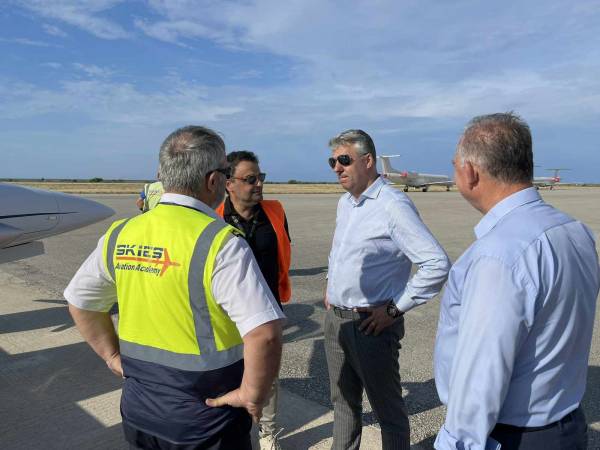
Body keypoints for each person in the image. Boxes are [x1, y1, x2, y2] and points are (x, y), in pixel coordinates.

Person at [65, 125, 285, 450]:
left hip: (140, 414)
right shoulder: (220, 242)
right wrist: (252, 394)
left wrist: (112, 356)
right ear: (214, 181)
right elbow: (264, 333)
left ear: (162, 175)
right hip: (205, 420)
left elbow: (81, 301)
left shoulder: (121, 233)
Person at [434, 113, 600, 450]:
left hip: (516, 436)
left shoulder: (499, 253)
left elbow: (482, 373)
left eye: (454, 165)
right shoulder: (575, 230)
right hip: (567, 426)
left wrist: (454, 443)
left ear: (471, 172)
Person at [325, 129, 451, 450]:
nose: (337, 168)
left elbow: (436, 263)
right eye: (333, 162)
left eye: (344, 160)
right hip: (336, 320)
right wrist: (331, 289)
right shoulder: (345, 203)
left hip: (371, 324)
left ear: (367, 161)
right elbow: (340, 253)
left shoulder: (392, 205)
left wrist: (394, 309)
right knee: (343, 404)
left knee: (388, 412)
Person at [214, 151, 291, 450]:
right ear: (229, 183)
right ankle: (233, 428)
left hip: (267, 310)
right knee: (228, 374)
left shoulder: (276, 211)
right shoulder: (214, 218)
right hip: (226, 315)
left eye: (261, 177)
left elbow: (283, 253)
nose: (259, 184)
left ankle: (268, 433)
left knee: (267, 375)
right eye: (250, 179)